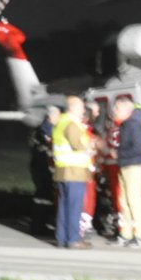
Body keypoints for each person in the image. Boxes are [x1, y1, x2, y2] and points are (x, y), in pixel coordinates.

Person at [52, 95, 94, 249]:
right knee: (75, 206)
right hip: (74, 171)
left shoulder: (60, 122)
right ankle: (73, 239)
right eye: (82, 107)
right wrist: (91, 147)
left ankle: (62, 239)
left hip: (62, 170)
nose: (84, 110)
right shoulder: (71, 123)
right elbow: (77, 145)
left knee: (64, 206)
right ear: (73, 108)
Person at [111, 95, 141, 248]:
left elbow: (137, 148)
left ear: (127, 109)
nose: (114, 110)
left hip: (133, 166)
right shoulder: (126, 124)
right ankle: (126, 234)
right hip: (125, 165)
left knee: (134, 201)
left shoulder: (133, 124)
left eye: (117, 108)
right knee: (124, 201)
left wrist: (118, 154)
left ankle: (139, 236)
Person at [28, 106, 61, 237]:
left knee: (42, 197)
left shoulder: (40, 129)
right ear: (51, 116)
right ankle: (39, 226)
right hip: (43, 168)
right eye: (58, 116)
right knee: (44, 197)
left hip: (38, 167)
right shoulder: (45, 130)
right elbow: (47, 149)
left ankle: (39, 225)